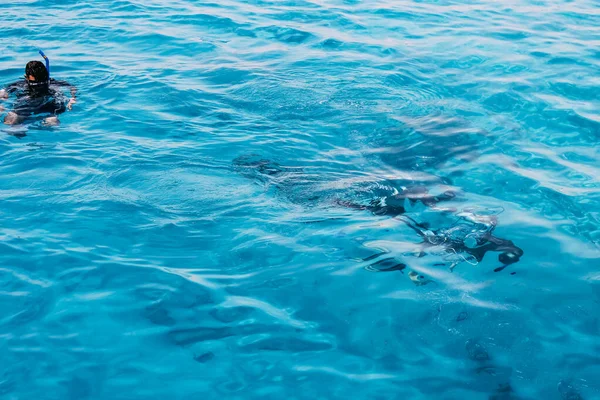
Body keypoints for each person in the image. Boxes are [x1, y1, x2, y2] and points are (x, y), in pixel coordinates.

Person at [0, 51, 76, 126]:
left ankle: (17, 129)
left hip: (26, 105)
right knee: (52, 121)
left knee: (12, 118)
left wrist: (3, 97)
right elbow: (72, 87)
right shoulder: (52, 83)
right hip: (49, 104)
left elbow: (3, 92)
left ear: (28, 76)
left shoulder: (21, 84)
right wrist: (72, 98)